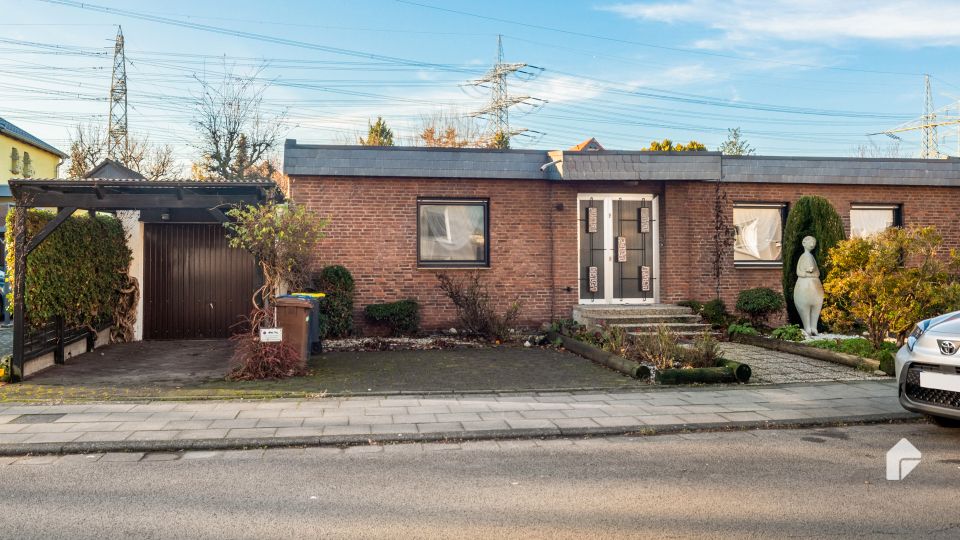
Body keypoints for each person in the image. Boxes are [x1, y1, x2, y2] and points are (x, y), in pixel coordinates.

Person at [793, 235, 824, 336]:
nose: (812, 244)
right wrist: (806, 273)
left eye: (814, 243)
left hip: (814, 287)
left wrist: (813, 273)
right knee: (804, 307)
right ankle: (807, 327)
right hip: (804, 286)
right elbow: (798, 272)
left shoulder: (811, 257)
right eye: (810, 242)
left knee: (816, 306)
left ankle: (813, 327)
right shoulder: (803, 257)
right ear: (804, 243)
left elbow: (817, 272)